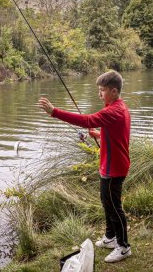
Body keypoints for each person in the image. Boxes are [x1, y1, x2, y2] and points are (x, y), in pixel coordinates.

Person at [38, 70, 131, 263]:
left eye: (102, 90)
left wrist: (54, 112)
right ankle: (110, 237)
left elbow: (88, 120)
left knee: (114, 207)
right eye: (99, 89)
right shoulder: (117, 107)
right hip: (109, 165)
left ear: (113, 91)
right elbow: (116, 134)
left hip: (115, 168)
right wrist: (98, 135)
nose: (99, 94)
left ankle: (123, 247)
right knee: (106, 202)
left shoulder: (113, 110)